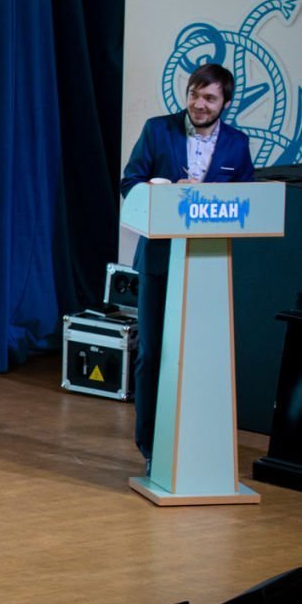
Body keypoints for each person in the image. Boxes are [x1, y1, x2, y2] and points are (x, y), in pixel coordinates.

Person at [118, 63, 255, 474]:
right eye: (194, 93)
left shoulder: (237, 144)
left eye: (209, 98)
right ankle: (151, 448)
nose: (199, 103)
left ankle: (198, 448)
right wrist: (162, 192)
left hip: (209, 267)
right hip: (160, 261)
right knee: (152, 354)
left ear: (225, 103)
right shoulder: (157, 130)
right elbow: (129, 183)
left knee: (203, 359)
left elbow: (247, 200)